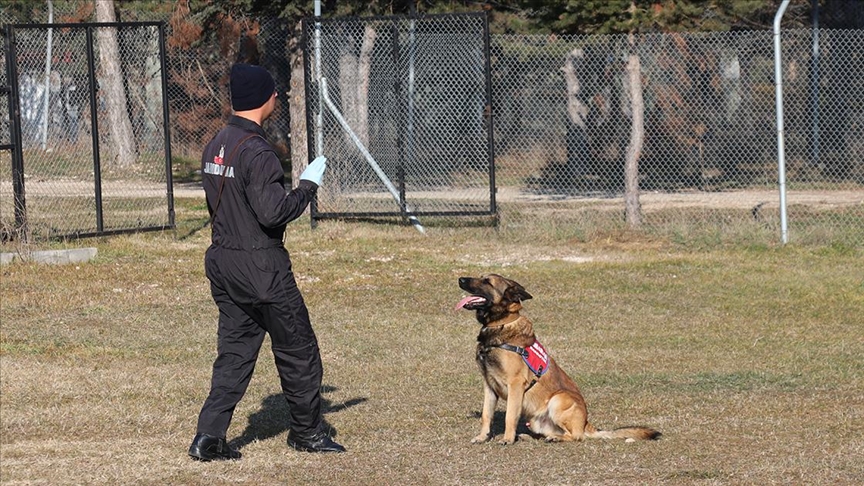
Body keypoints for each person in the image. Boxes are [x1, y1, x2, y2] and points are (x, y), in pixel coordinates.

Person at [188, 63, 345, 461]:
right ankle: (307, 433)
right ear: (264, 99)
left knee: (236, 351)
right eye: (275, 93)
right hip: (261, 267)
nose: (277, 97)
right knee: (298, 348)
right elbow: (273, 213)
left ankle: (209, 437)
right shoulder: (259, 152)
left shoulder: (216, 143)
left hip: (224, 262)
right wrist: (307, 186)